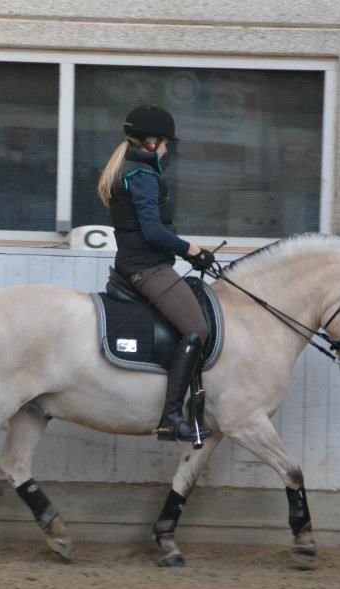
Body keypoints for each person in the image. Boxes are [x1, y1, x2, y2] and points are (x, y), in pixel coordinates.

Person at [97, 104, 216, 443]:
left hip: (141, 263)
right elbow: (151, 231)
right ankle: (171, 417)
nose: (167, 151)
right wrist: (191, 250)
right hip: (147, 269)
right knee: (197, 328)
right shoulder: (143, 176)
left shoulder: (129, 169)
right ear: (151, 143)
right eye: (165, 144)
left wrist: (181, 252)